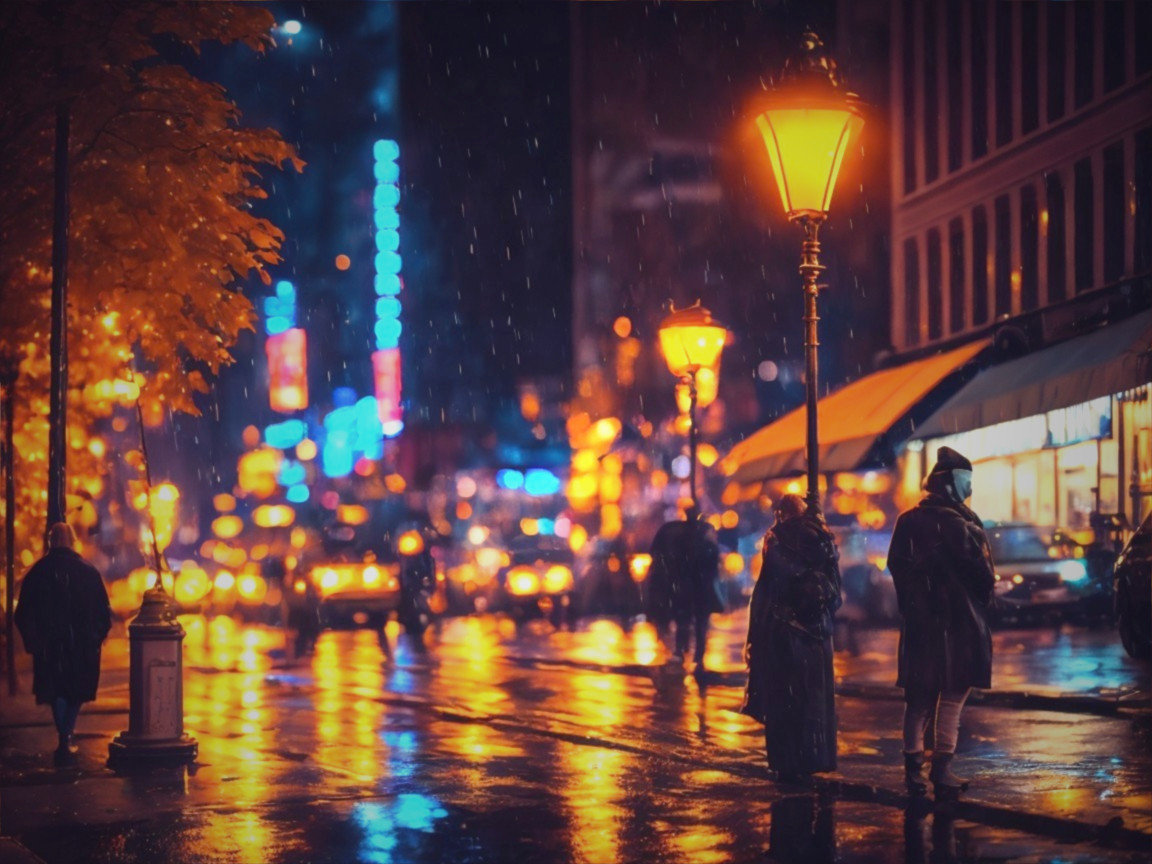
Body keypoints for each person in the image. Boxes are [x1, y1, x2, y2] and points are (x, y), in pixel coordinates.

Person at [887, 446, 995, 796]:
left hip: (923, 625)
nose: (970, 488)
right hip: (959, 625)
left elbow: (897, 567)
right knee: (951, 698)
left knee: (919, 699)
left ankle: (914, 769)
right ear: (951, 483)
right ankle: (940, 769)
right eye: (966, 480)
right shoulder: (963, 525)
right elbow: (982, 577)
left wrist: (917, 602)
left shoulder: (908, 521)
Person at [741, 493, 842, 784]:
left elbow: (766, 590)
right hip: (817, 634)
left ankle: (787, 763)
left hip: (783, 631)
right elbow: (835, 591)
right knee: (813, 700)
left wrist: (754, 637)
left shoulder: (776, 540)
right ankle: (814, 757)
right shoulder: (823, 538)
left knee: (785, 702)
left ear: (781, 514)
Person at [14, 523, 112, 766]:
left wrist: (34, 641)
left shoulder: (38, 572)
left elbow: (23, 612)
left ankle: (63, 734)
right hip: (81, 645)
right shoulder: (88, 571)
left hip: (50, 646)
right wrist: (96, 636)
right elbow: (103, 611)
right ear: (73, 540)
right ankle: (67, 732)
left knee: (57, 689)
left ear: (51, 541)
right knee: (76, 690)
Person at [647, 504, 720, 668]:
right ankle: (688, 651)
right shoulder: (688, 535)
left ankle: (690, 652)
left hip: (694, 584)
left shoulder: (697, 535)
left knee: (690, 620)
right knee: (688, 620)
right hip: (692, 584)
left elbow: (711, 561)